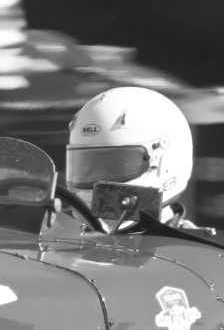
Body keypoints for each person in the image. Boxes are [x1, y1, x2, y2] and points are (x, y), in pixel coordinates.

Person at [64, 86, 195, 232]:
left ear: (165, 164)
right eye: (85, 164)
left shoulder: (193, 251)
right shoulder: (57, 230)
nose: (94, 177)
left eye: (116, 164)